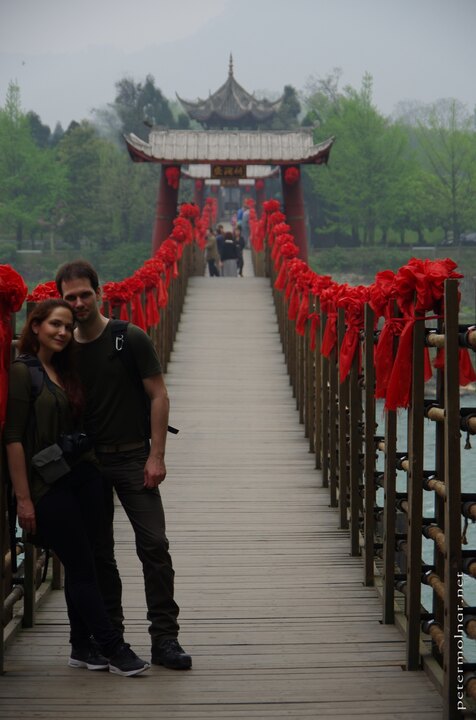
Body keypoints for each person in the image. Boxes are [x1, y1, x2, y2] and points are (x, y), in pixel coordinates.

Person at [55, 260, 192, 671]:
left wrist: (157, 456)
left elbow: (158, 395)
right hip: (89, 463)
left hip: (134, 457)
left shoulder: (128, 338)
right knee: (100, 554)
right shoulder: (62, 348)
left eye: (85, 294)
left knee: (155, 545)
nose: (79, 303)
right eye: (70, 297)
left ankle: (165, 639)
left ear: (101, 292)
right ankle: (109, 636)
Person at [3, 299, 149, 677]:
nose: (63, 332)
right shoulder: (23, 372)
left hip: (78, 476)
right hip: (45, 485)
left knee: (84, 563)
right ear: (35, 326)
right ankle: (113, 646)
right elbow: (14, 437)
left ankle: (81, 646)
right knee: (83, 566)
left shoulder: (62, 370)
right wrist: (23, 499)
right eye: (55, 324)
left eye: (68, 327)